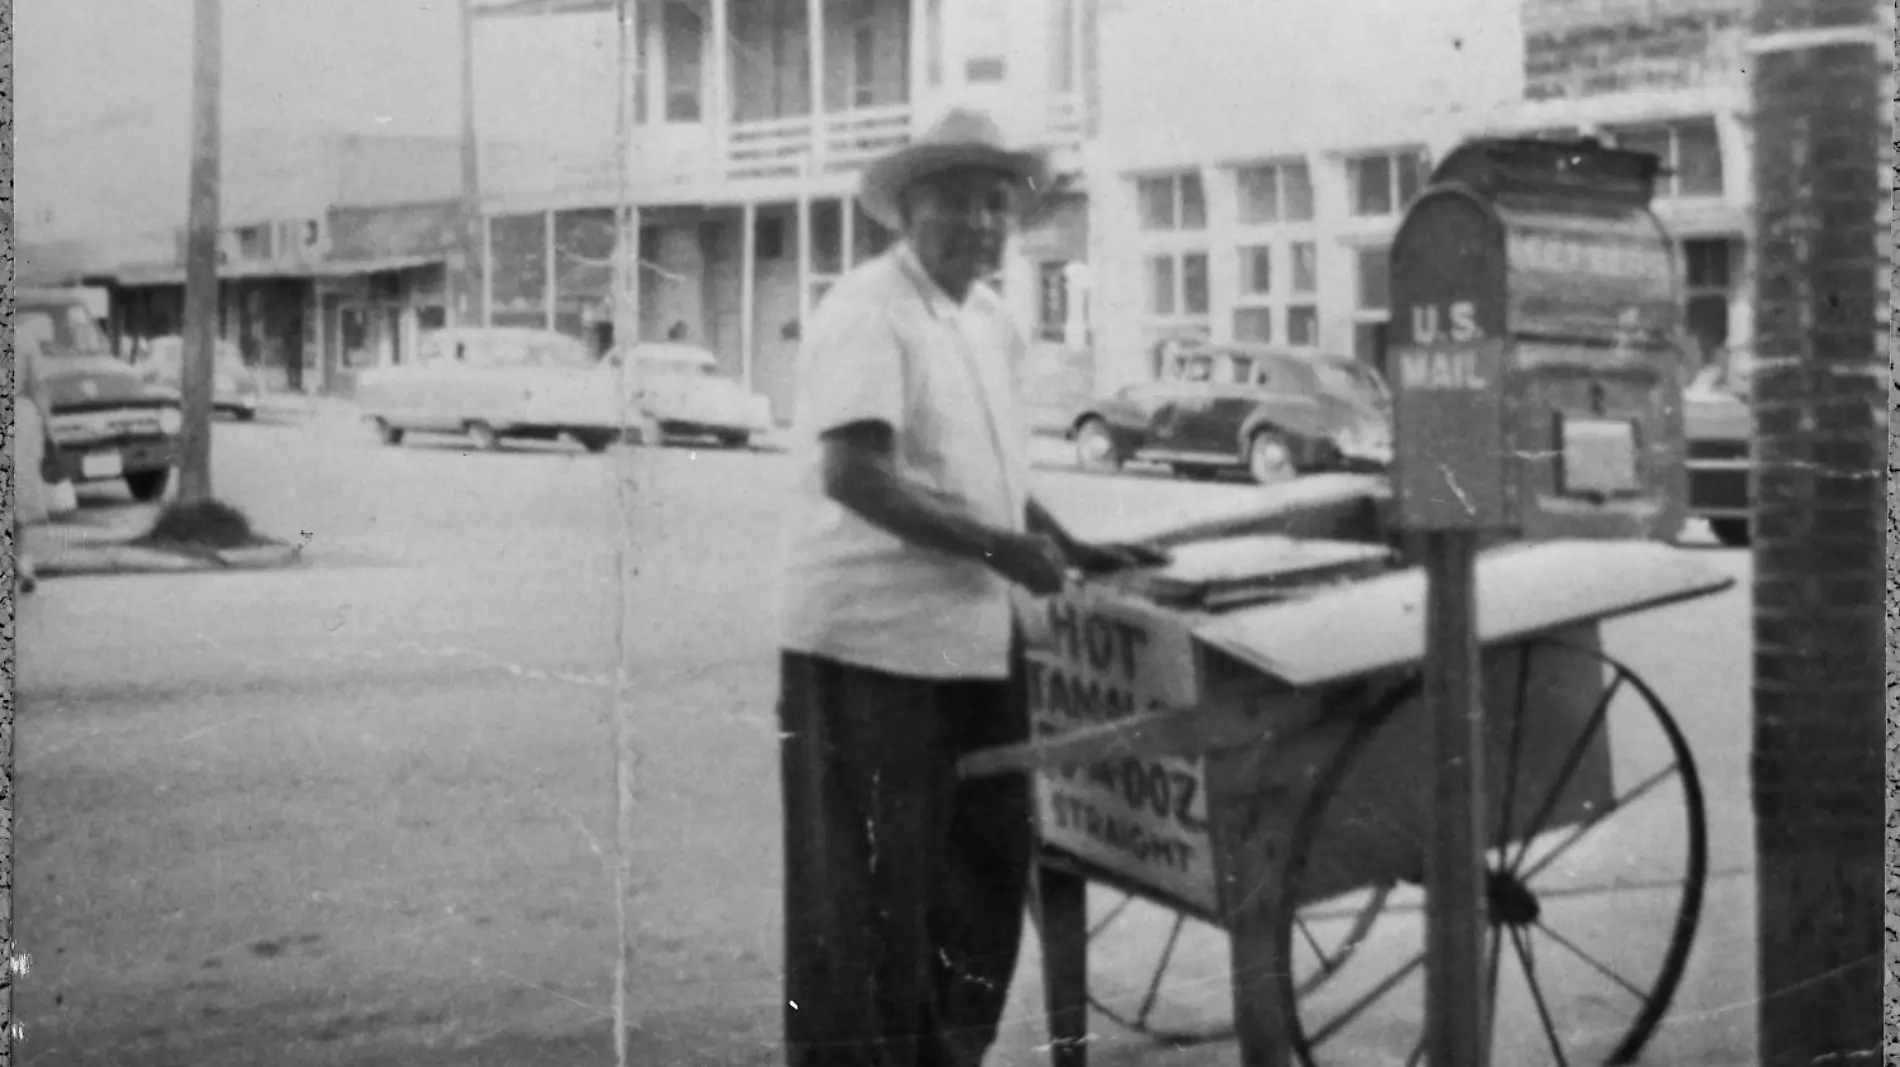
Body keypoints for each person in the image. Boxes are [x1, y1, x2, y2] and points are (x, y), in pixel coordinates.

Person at [774, 105, 1168, 1067]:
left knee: (985, 873)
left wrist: (1067, 544)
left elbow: (995, 479)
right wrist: (1001, 551)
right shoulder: (868, 309)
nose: (981, 223)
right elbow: (854, 474)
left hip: (981, 641)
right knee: (868, 897)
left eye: (996, 204)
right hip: (868, 648)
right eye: (955, 200)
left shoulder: (992, 319)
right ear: (908, 209)